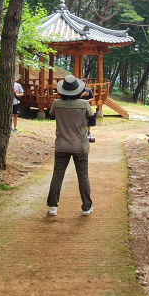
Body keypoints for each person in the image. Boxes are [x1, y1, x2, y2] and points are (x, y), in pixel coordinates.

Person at [47, 74, 95, 217]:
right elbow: (92, 121)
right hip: (80, 145)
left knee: (57, 175)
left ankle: (53, 207)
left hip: (62, 145)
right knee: (83, 176)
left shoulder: (57, 104)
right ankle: (86, 207)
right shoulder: (84, 104)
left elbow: (51, 116)